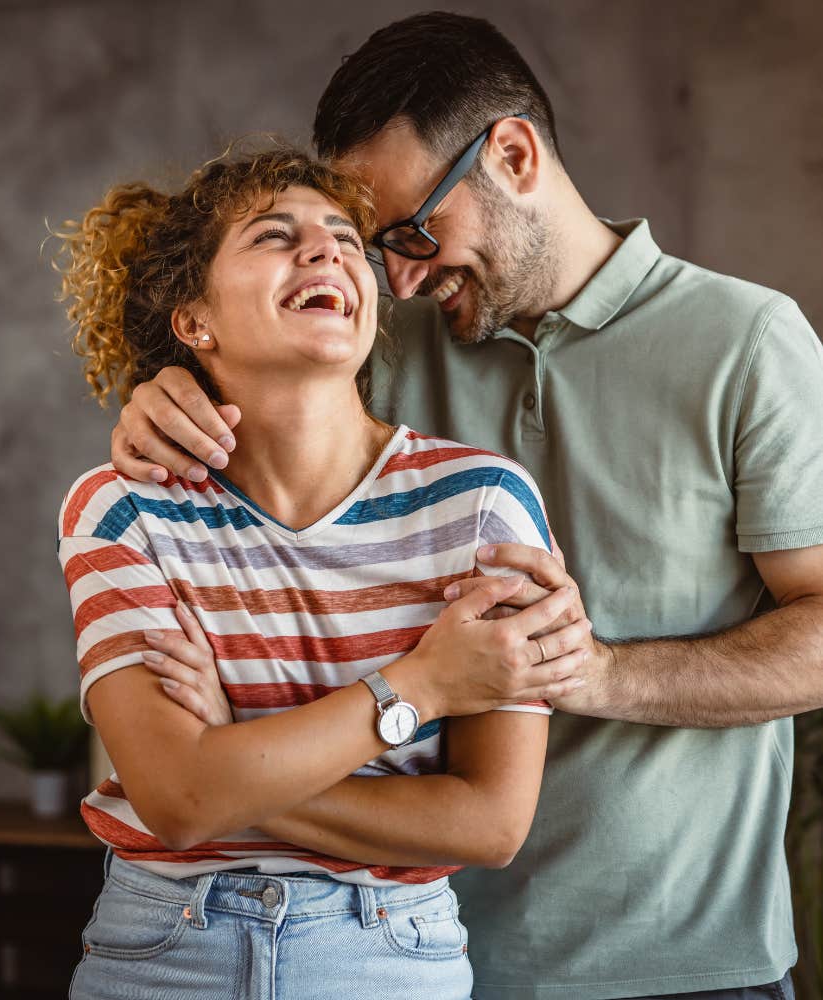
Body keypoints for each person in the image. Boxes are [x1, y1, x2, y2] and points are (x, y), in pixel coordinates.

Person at [109, 12, 823, 1000]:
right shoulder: (378, 345)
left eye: (413, 231)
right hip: (408, 955)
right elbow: (241, 416)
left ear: (514, 156)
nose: (399, 276)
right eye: (377, 248)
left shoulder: (747, 343)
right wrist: (164, 396)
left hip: (684, 965)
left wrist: (598, 673)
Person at [56, 146, 593, 1000]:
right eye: (275, 236)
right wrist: (422, 684)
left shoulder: (483, 504)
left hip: (387, 955)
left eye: (346, 238)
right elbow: (179, 804)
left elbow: (488, 823)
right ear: (194, 320)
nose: (328, 251)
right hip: (162, 951)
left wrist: (230, 767)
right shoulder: (123, 508)